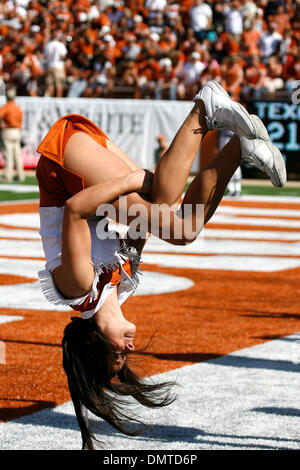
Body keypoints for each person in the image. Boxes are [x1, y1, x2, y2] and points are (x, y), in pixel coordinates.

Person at [35, 80, 286, 450]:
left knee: (178, 225)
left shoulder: (78, 288)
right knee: (178, 216)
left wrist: (131, 181)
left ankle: (205, 109)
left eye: (118, 354)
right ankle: (238, 148)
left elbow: (75, 211)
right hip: (84, 184)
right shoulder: (121, 287)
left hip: (63, 174)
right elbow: (145, 225)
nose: (129, 350)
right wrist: (146, 198)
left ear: (95, 344)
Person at [0, 88, 24, 182]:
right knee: (17, 154)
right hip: (17, 131)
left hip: (8, 131)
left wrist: (2, 124)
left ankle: (8, 175)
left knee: (8, 154)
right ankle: (20, 174)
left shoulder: (6, 107)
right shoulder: (18, 108)